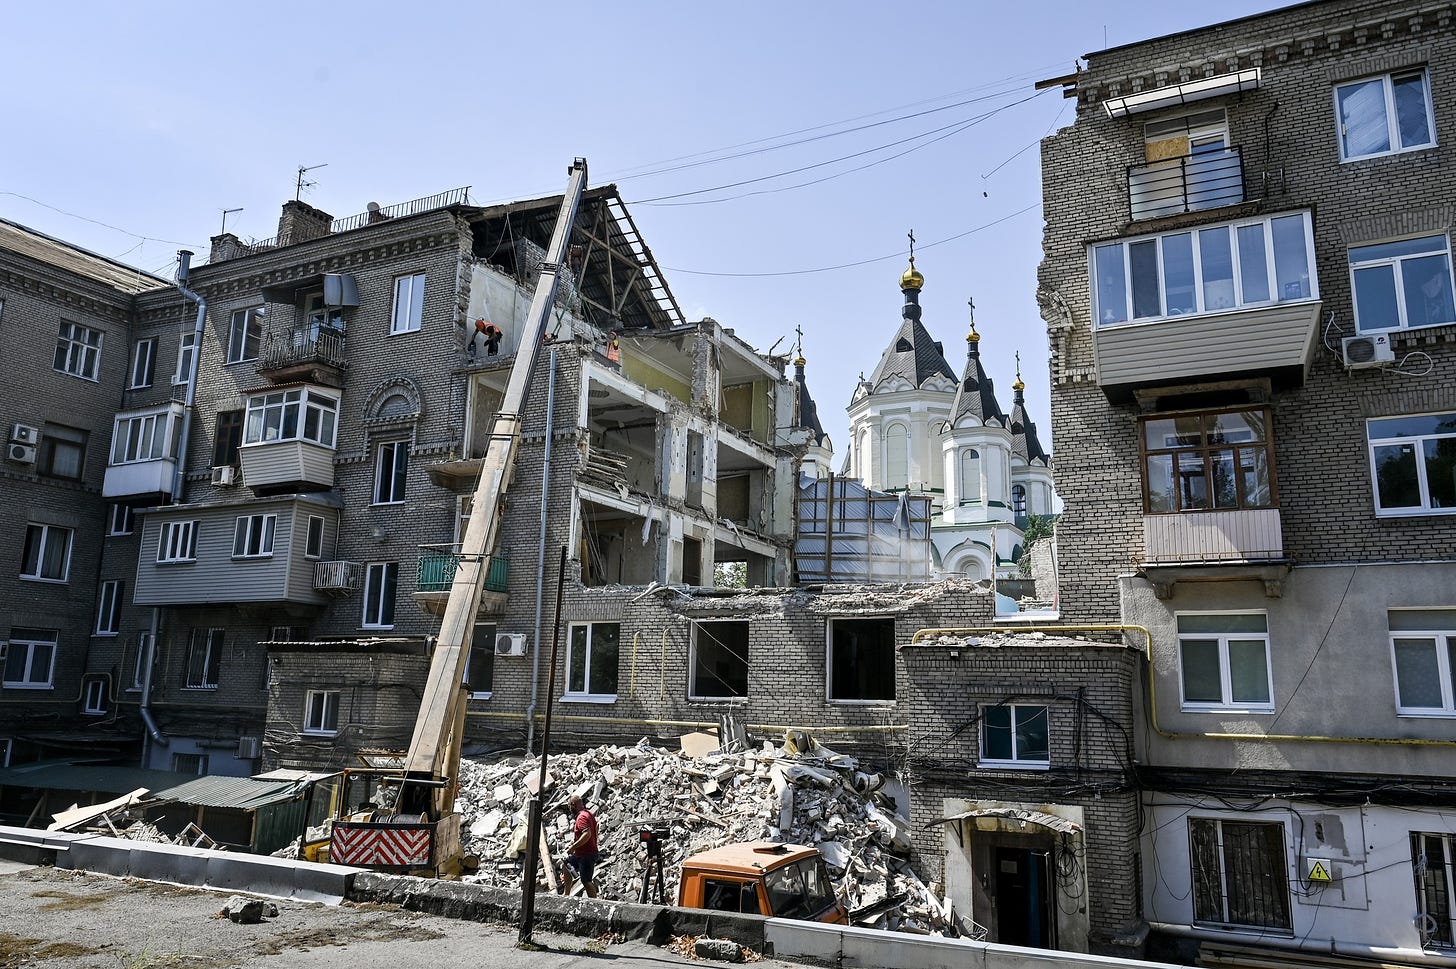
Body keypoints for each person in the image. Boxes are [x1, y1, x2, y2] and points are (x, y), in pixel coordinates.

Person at [559, 794, 599, 898]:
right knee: (566, 866)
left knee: (586, 881)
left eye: (569, 806)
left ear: (573, 805)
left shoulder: (581, 817)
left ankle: (595, 903)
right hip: (582, 853)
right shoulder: (588, 814)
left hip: (587, 854)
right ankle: (566, 894)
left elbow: (587, 834)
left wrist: (573, 847)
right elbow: (596, 827)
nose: (569, 809)